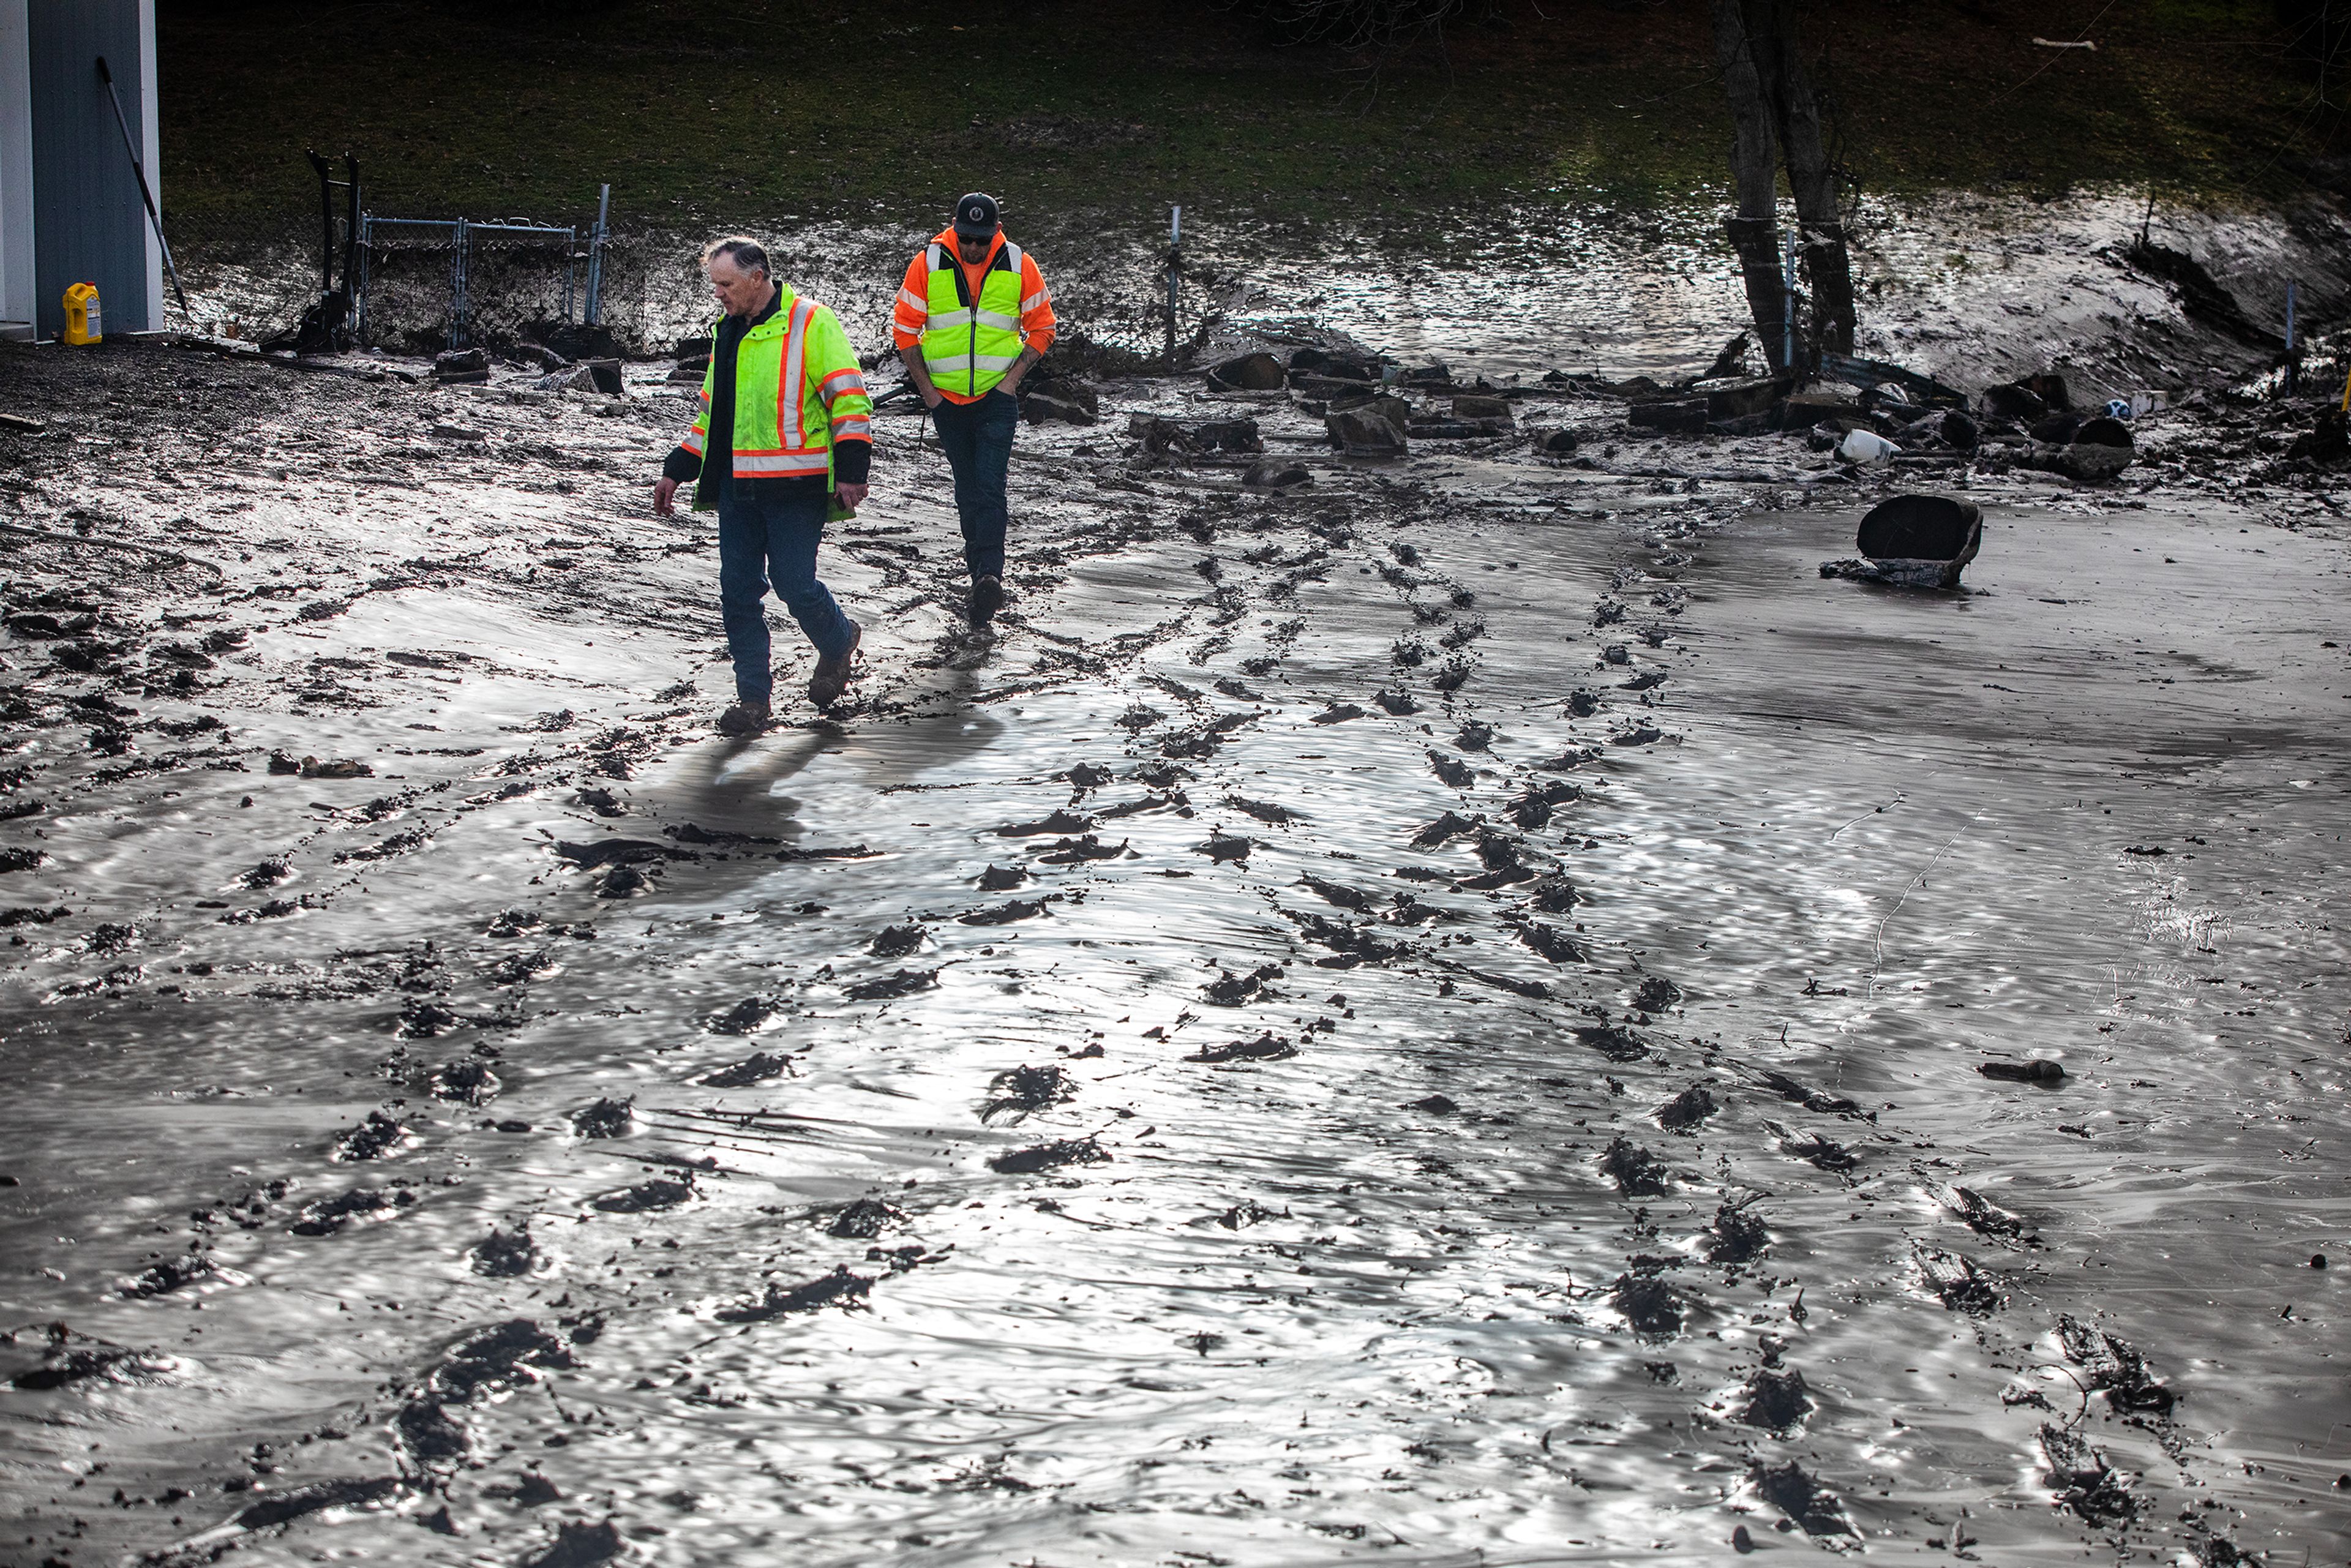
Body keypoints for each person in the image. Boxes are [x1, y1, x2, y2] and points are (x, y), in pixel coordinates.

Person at [654, 236, 872, 734]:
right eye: (715, 285)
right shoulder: (725, 333)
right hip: (738, 490)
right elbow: (712, 414)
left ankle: (839, 641)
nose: (719, 294)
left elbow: (850, 399)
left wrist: (853, 471)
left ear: (757, 278)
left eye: (726, 284)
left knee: (795, 584)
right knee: (737, 591)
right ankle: (753, 700)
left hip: (797, 487)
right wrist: (676, 468)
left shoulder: (813, 322)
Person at [891, 193, 1057, 631]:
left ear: (996, 232)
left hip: (996, 400)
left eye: (981, 241)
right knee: (967, 489)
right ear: (954, 228)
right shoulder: (927, 263)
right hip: (945, 402)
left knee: (989, 486)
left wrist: (1011, 382)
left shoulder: (1020, 264)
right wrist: (928, 393)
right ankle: (979, 575)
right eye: (966, 239)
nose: (973, 249)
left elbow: (1043, 327)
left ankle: (990, 576)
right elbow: (905, 330)